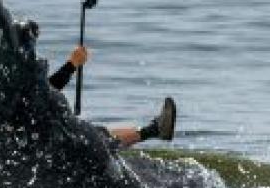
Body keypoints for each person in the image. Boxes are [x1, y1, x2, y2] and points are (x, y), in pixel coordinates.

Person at [23, 20, 177, 147]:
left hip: (31, 136)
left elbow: (38, 94)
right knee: (88, 139)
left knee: (95, 133)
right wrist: (72, 64)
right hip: (32, 145)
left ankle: (154, 130)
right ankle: (154, 130)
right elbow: (41, 93)